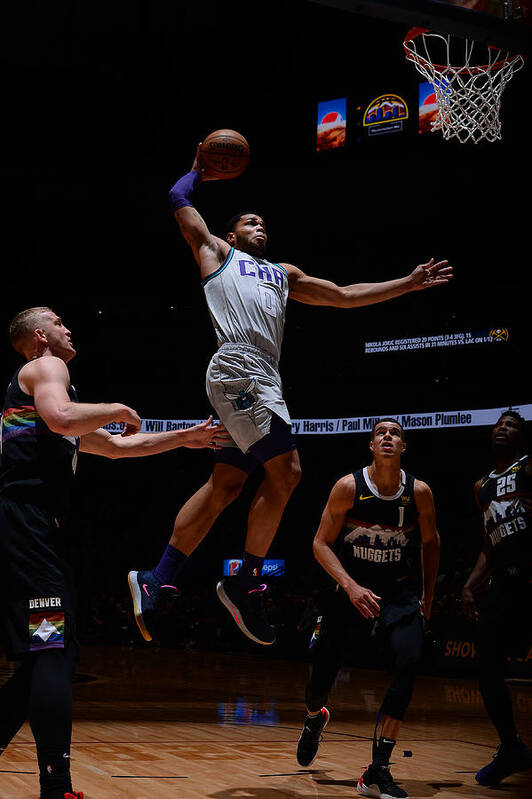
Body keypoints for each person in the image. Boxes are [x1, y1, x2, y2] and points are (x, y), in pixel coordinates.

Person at [128, 147, 452, 648]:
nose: (259, 225)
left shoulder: (284, 274)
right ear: (231, 234)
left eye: (263, 222)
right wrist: (198, 170)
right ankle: (244, 581)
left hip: (263, 377)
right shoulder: (217, 253)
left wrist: (406, 286)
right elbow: (176, 197)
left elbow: (345, 295)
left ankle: (157, 577)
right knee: (290, 471)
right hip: (239, 366)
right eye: (249, 222)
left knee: (226, 485)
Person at [0, 306, 228, 799]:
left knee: (52, 653)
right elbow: (63, 419)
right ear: (40, 336)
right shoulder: (47, 368)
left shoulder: (53, 385)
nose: (69, 328)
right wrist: (119, 407)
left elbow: (120, 449)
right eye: (60, 322)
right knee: (53, 650)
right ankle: (56, 785)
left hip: (37, 530)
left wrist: (186, 438)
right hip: (27, 525)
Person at [296, 418, 440, 799]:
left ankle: (377, 770)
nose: (388, 437)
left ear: (403, 447)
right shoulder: (348, 487)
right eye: (381, 433)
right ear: (371, 446)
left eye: (395, 433)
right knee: (319, 684)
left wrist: (427, 600)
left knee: (409, 664)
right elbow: (320, 544)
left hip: (398, 595)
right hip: (349, 593)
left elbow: (431, 544)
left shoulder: (420, 492)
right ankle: (314, 719)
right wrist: (351, 586)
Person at [461, 410, 532, 787]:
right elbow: (489, 545)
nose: (503, 428)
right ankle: (511, 747)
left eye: (512, 425)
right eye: (499, 424)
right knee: (487, 667)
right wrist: (469, 585)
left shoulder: (528, 468)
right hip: (504, 584)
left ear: (522, 438)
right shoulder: (481, 486)